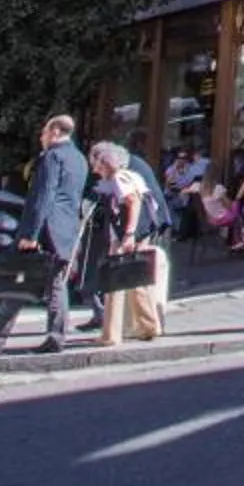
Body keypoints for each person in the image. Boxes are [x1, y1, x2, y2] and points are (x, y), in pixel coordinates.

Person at [0, 114, 85, 357]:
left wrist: (31, 233)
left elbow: (44, 196)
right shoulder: (79, 159)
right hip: (66, 230)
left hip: (46, 230)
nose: (41, 137)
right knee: (53, 283)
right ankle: (3, 338)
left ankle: (1, 338)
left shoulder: (52, 157)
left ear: (55, 132)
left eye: (44, 132)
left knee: (20, 279)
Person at [87, 142, 166, 344]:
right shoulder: (131, 175)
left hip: (125, 237)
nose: (95, 170)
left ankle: (110, 334)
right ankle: (149, 325)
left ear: (106, 163)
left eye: (96, 164)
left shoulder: (119, 178)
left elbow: (132, 201)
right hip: (137, 234)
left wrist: (128, 234)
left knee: (113, 284)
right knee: (136, 280)